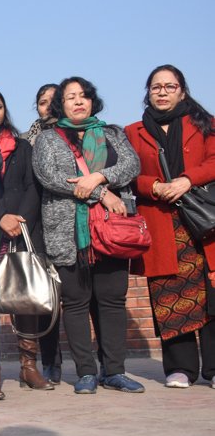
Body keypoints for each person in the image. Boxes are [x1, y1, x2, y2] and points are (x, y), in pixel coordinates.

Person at [32, 76, 145, 395]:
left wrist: (98, 176)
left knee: (111, 301)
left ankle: (115, 371)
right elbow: (50, 177)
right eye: (70, 97)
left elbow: (131, 165)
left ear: (93, 101)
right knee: (76, 302)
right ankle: (85, 373)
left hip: (112, 231)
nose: (78, 101)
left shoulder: (113, 133)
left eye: (84, 96)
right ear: (61, 105)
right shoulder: (48, 139)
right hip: (67, 232)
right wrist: (102, 194)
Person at [125, 65, 215, 389]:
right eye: (156, 87)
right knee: (168, 294)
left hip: (203, 223)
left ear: (182, 91)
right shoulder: (133, 132)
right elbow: (128, 173)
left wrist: (188, 179)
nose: (162, 92)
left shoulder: (205, 125)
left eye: (169, 86)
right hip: (161, 222)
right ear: (148, 93)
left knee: (209, 295)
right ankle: (180, 368)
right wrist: (154, 186)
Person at [0, 86, 53, 395]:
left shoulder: (22, 146)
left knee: (26, 299)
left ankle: (29, 367)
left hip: (21, 230)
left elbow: (33, 186)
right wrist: (0, 217)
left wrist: (19, 219)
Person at [24, 83, 64, 384]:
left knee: (73, 298)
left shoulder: (76, 135)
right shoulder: (28, 140)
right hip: (36, 226)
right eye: (42, 102)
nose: (47, 107)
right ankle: (49, 362)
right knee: (41, 299)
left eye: (54, 101)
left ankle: (105, 366)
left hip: (66, 224)